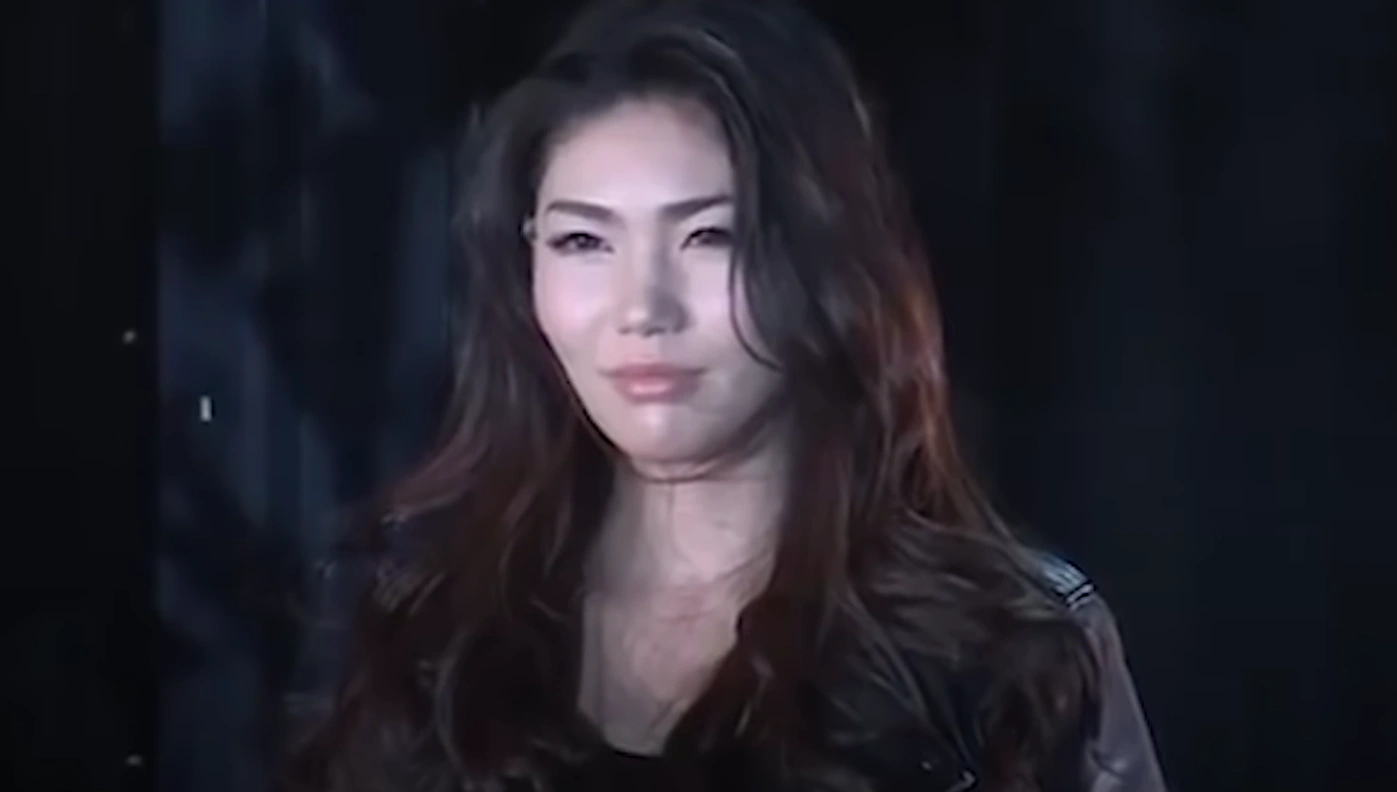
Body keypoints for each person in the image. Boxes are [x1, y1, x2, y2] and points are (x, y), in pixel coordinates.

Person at [281, 0, 1167, 790]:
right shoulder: (409, 610)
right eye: (584, 242)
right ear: (524, 267)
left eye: (709, 236)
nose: (642, 309)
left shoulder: (1010, 646)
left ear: (823, 258)